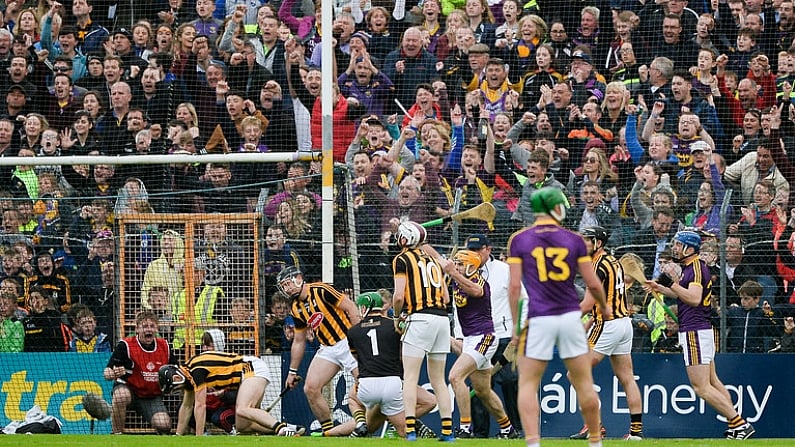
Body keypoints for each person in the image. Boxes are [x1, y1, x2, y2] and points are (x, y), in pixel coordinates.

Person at [507, 187, 612, 447]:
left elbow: (514, 288)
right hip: (569, 317)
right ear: (556, 207)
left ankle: (533, 442)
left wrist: (515, 326)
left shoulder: (519, 239)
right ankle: (596, 442)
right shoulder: (574, 239)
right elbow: (593, 283)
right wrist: (605, 307)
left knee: (528, 383)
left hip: (538, 318)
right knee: (584, 383)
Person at [646, 230, 756, 439]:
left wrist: (672, 284)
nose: (675, 248)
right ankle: (736, 424)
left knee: (701, 387)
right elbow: (683, 294)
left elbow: (694, 298)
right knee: (713, 381)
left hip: (694, 332)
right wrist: (660, 288)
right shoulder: (692, 267)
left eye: (678, 245)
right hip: (700, 330)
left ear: (689, 248)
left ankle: (740, 424)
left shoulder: (695, 268)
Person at [570, 227, 644, 441]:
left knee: (574, 372)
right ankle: (636, 433)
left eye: (586, 240)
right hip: (623, 324)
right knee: (627, 378)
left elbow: (587, 304)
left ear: (598, 243)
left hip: (608, 325)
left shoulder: (595, 267)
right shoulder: (613, 261)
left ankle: (594, 426)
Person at [159, 331, 306, 436]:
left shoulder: (195, 370)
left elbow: (200, 405)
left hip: (251, 368)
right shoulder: (189, 375)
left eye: (176, 385)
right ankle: (291, 428)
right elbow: (186, 407)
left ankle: (281, 429)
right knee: (244, 426)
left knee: (242, 409)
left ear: (176, 376)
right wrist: (178, 435)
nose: (179, 388)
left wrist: (199, 439)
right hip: (246, 375)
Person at [278, 265, 367, 437]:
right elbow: (299, 340)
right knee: (310, 388)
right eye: (283, 287)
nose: (286, 289)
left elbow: (350, 307)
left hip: (348, 341)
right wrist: (292, 372)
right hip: (327, 348)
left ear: (298, 278)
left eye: (288, 284)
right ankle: (329, 431)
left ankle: (389, 421)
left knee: (367, 386)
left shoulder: (321, 289)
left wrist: (360, 338)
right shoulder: (296, 308)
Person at [444, 249, 519, 439]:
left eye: (460, 264)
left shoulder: (479, 283)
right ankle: (507, 429)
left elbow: (476, 291)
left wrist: (452, 272)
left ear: (470, 266)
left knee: (455, 377)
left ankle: (465, 428)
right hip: (471, 338)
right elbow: (440, 261)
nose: (456, 266)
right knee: (483, 391)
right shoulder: (458, 279)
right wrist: (421, 241)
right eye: (456, 263)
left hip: (484, 337)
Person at [390, 221, 454, 441]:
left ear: (405, 239)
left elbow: (398, 296)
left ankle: (409, 430)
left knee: (410, 377)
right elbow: (446, 297)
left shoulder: (402, 259)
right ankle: (447, 431)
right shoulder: (435, 261)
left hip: (419, 319)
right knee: (439, 380)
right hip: (442, 320)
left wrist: (397, 316)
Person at [103, 311, 174, 434]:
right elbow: (107, 372)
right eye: (145, 326)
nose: (149, 329)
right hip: (129, 391)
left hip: (151, 396)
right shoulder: (126, 345)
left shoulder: (165, 346)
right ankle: (116, 435)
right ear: (137, 329)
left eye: (152, 326)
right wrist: (113, 374)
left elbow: (175, 370)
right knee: (120, 396)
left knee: (164, 424)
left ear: (157, 329)